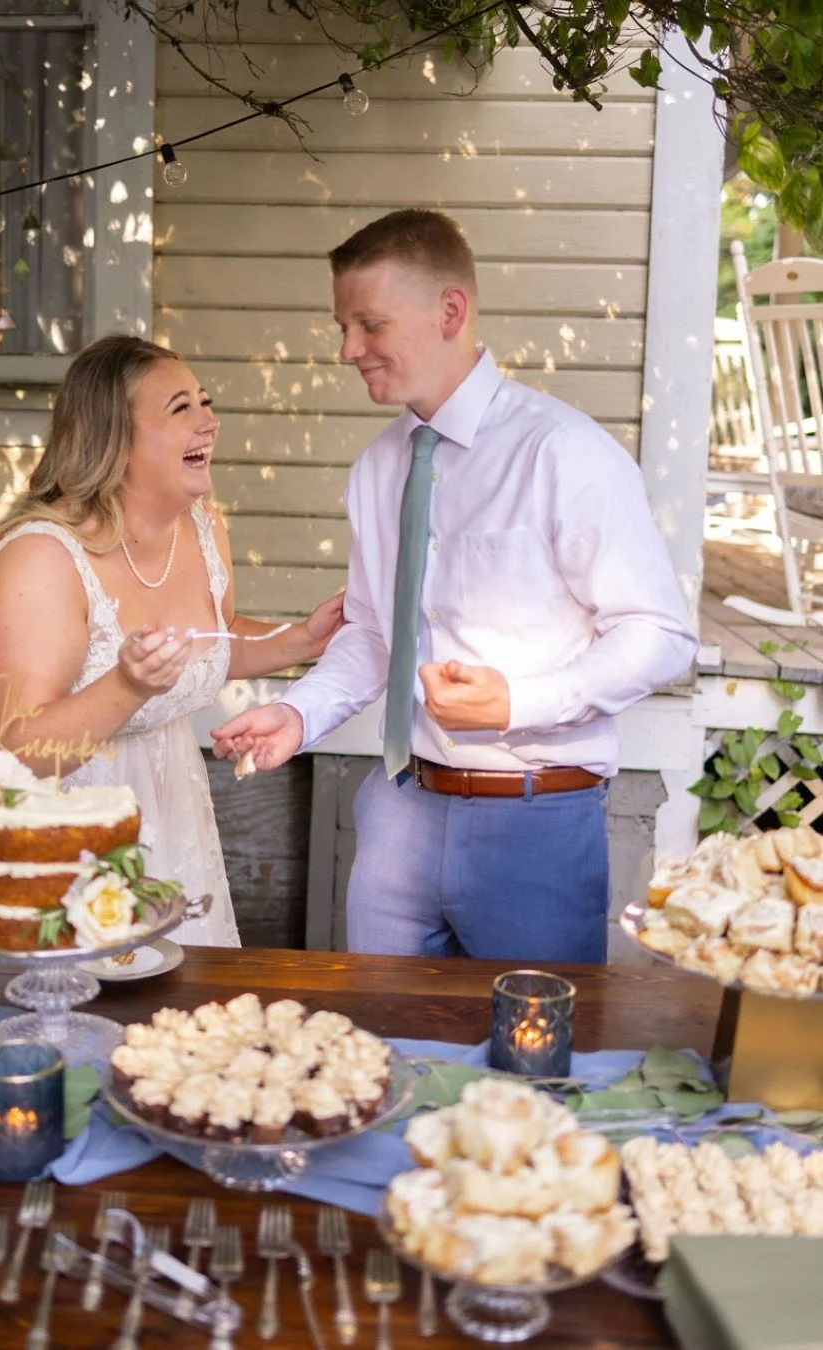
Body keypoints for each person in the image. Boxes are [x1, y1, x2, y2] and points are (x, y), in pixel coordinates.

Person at [212, 209, 698, 963]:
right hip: (398, 815)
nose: (349, 349)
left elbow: (661, 636)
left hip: (534, 821)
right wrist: (298, 715)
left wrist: (519, 702)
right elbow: (376, 632)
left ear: (450, 311)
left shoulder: (563, 453)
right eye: (343, 326)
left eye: (369, 323)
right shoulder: (377, 469)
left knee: (532, 1071)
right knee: (385, 1054)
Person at [0, 335, 345, 941]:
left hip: (153, 809)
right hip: (20, 817)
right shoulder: (40, 558)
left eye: (205, 402)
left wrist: (300, 640)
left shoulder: (201, 526)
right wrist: (129, 684)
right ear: (116, 438)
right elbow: (27, 747)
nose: (210, 422)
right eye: (181, 408)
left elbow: (206, 641)